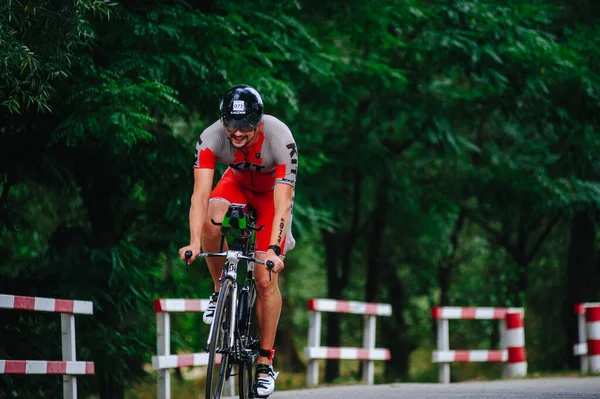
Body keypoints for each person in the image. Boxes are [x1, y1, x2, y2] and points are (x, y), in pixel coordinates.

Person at [179, 84, 297, 397]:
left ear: (259, 122)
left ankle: (265, 362)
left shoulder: (280, 137)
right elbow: (200, 194)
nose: (238, 132)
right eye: (231, 124)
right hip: (238, 186)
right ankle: (221, 291)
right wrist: (193, 242)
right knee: (211, 218)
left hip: (272, 196)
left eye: (246, 126)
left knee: (263, 278)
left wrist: (273, 249)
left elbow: (284, 201)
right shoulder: (211, 136)